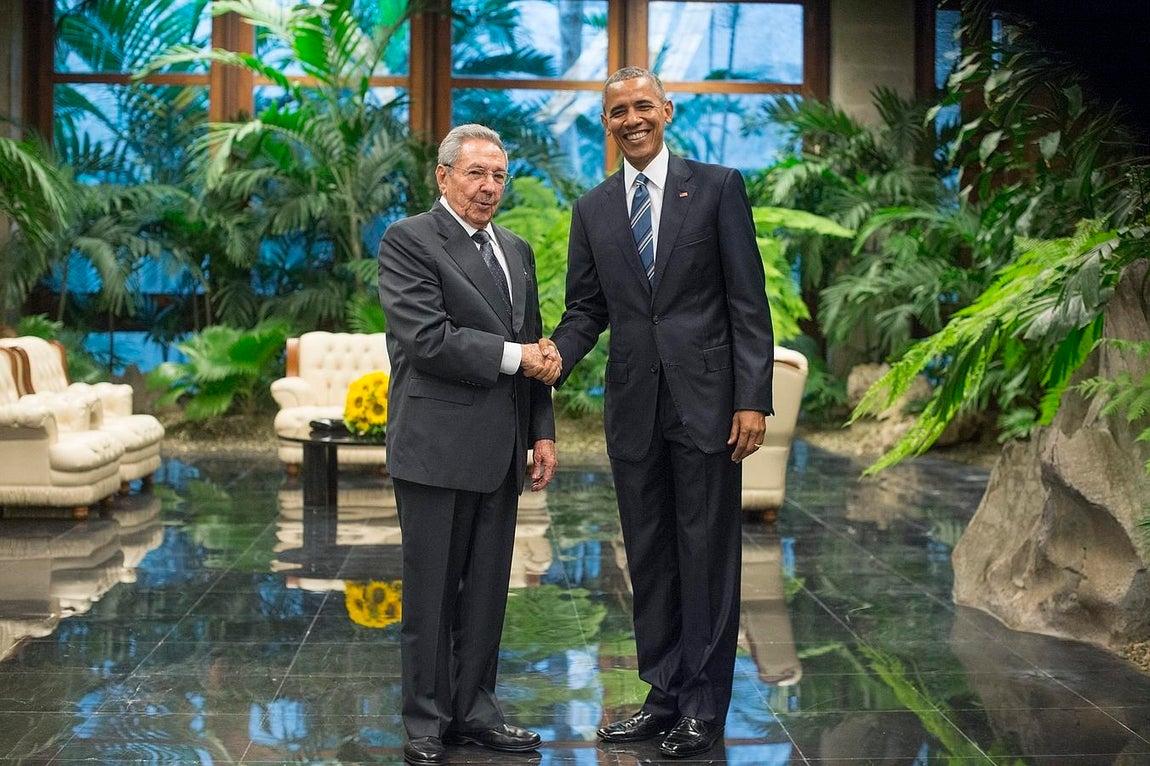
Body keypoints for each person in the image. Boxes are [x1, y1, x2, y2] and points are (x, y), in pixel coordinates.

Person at [548, 67, 774, 759]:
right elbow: (588, 309)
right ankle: (663, 694)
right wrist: (553, 357)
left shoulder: (717, 189)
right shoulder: (592, 211)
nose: (632, 119)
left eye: (643, 105)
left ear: (666, 110)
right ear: (607, 123)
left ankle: (704, 706)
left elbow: (746, 301)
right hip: (635, 408)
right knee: (649, 557)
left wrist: (751, 397)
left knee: (706, 556)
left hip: (707, 406)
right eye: (618, 111)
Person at [377, 123, 560, 766]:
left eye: (498, 176)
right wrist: (518, 358)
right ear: (444, 176)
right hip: (435, 446)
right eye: (476, 174)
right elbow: (428, 340)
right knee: (431, 593)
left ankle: (475, 711)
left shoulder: (516, 249)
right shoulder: (409, 241)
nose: (489, 188)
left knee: (486, 591)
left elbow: (536, 345)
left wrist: (542, 431)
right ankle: (424, 721)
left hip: (502, 450)